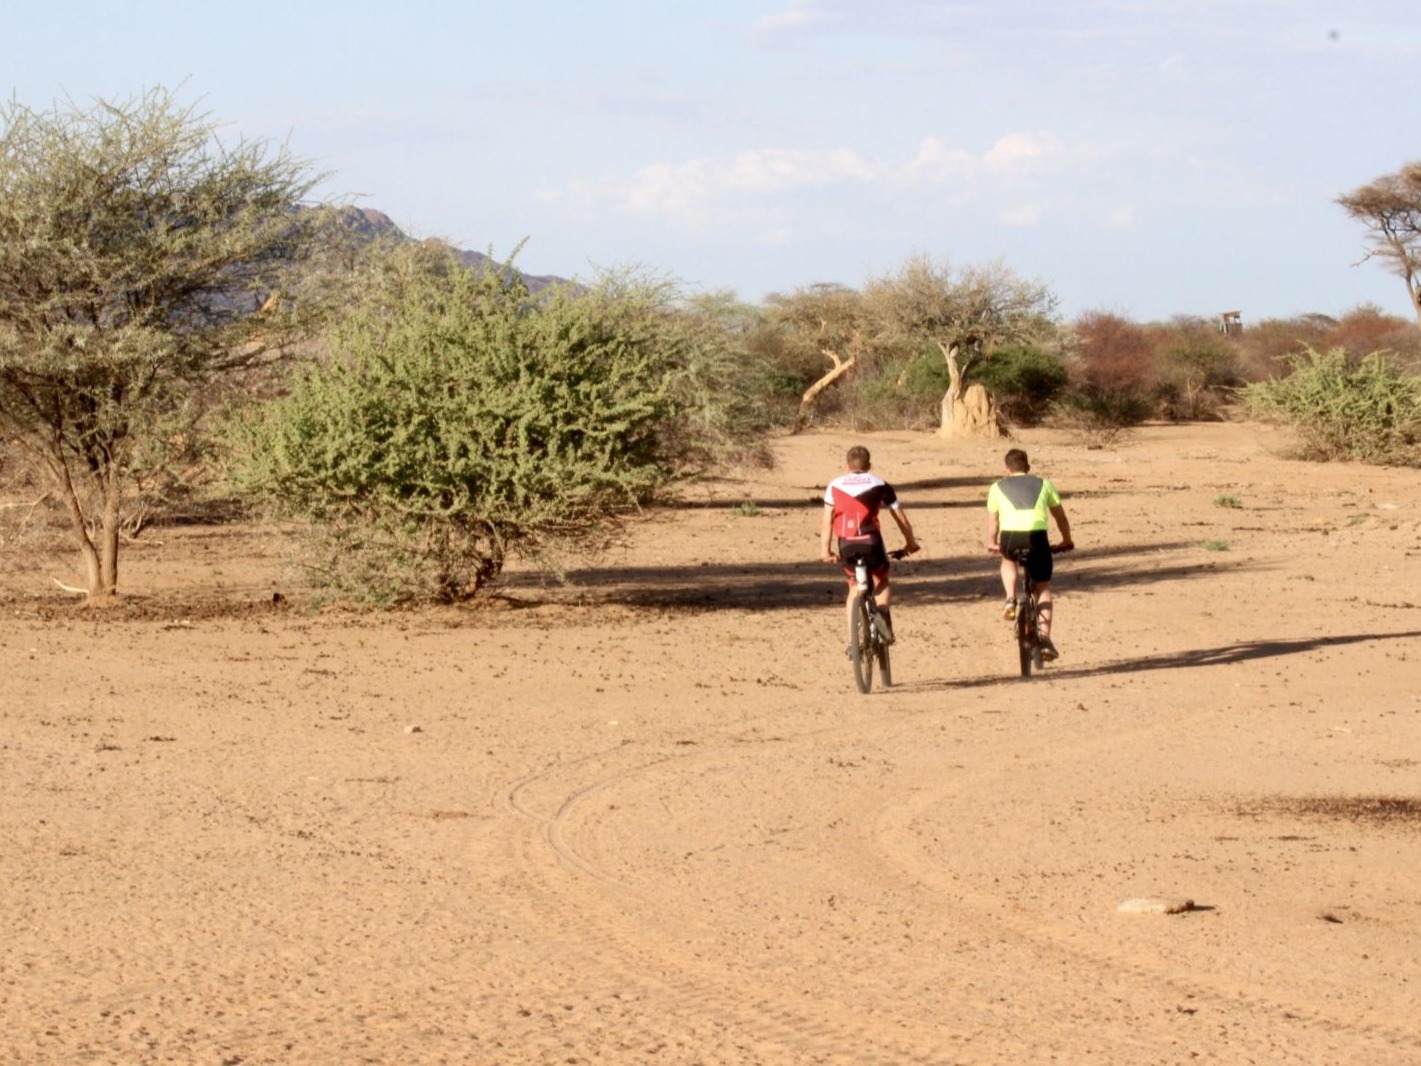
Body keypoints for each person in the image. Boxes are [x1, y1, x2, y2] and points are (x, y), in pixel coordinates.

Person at [821, 445, 920, 650]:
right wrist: (910, 543)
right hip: (871, 541)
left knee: (853, 587)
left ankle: (852, 641)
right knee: (881, 579)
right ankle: (882, 619)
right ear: (870, 465)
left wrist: (826, 551)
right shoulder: (880, 484)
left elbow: (827, 521)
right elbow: (900, 518)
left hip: (846, 543)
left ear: (846, 466)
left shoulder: (834, 485)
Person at [984, 448, 1073, 660]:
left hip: (1011, 537)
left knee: (1008, 559)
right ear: (1028, 468)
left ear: (1007, 470)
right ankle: (1044, 639)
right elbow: (1061, 517)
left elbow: (993, 521)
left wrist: (992, 542)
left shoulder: (997, 487)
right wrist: (1066, 540)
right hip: (1037, 537)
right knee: (1042, 586)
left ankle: (1010, 599)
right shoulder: (1045, 484)